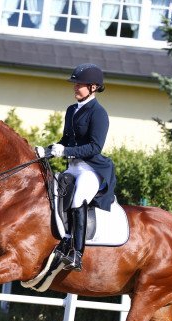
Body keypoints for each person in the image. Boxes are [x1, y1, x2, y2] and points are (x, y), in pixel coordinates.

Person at [36, 63, 117, 272]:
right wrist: (46, 151)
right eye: (75, 84)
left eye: (78, 85)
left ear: (92, 87)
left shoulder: (99, 113)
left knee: (79, 197)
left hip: (91, 170)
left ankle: (76, 253)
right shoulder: (72, 110)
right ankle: (63, 238)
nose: (74, 88)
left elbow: (94, 147)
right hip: (72, 167)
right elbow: (65, 140)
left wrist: (67, 152)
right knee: (51, 193)